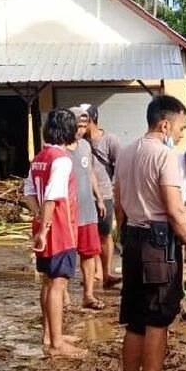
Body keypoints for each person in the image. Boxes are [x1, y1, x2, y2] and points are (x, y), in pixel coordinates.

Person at [114, 95, 186, 371]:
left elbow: (118, 206)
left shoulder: (126, 153)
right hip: (158, 244)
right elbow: (173, 211)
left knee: (135, 322)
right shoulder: (166, 156)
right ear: (165, 124)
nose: (182, 134)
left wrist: (124, 236)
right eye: (182, 127)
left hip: (132, 240)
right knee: (158, 322)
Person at [23, 109, 82, 357]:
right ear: (67, 131)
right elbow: (52, 197)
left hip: (44, 227)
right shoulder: (62, 159)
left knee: (48, 282)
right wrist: (46, 229)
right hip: (60, 230)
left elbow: (27, 191)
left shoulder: (39, 157)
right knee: (58, 284)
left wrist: (38, 219)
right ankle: (57, 343)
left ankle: (49, 335)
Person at [68, 107, 107, 310]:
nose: (81, 130)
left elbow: (90, 171)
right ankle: (63, 295)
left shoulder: (85, 146)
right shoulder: (58, 148)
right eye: (78, 125)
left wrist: (99, 198)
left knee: (89, 253)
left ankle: (88, 295)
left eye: (84, 126)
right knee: (65, 254)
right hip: (66, 213)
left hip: (87, 209)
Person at [84, 105, 123, 289]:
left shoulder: (110, 140)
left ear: (91, 119)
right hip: (85, 196)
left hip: (105, 194)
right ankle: (96, 271)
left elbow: (120, 167)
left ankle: (106, 272)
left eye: (83, 119)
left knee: (105, 235)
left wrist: (117, 192)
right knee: (88, 236)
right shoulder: (79, 141)